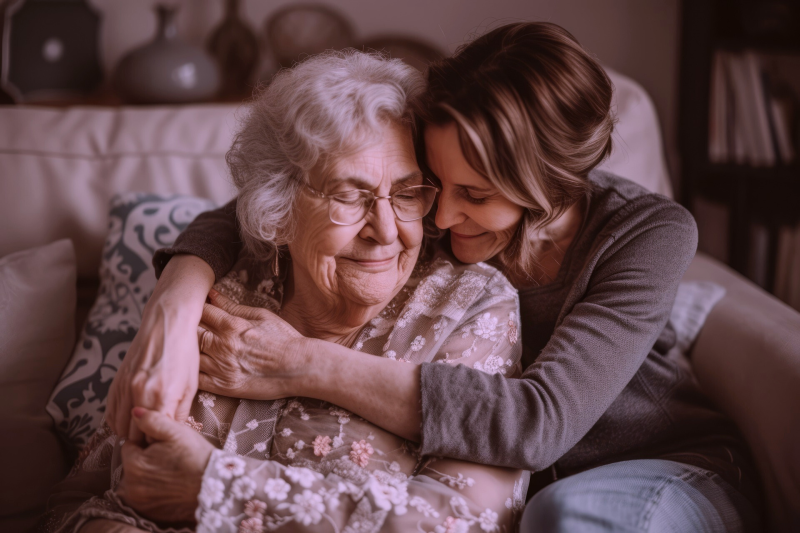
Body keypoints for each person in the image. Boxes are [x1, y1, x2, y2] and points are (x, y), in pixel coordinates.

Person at [107, 22, 763, 532]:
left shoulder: (647, 231)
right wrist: (175, 296)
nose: (442, 215)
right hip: (538, 485)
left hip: (663, 467)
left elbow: (535, 425)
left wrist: (300, 363)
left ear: (547, 187)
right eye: (433, 185)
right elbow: (277, 193)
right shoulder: (428, 213)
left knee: (568, 517)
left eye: (473, 194)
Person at [45, 50, 529, 533]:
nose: (384, 230)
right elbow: (78, 502)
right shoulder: (219, 297)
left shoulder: (469, 308)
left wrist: (216, 486)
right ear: (279, 208)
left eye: (407, 194)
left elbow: (464, 521)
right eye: (348, 196)